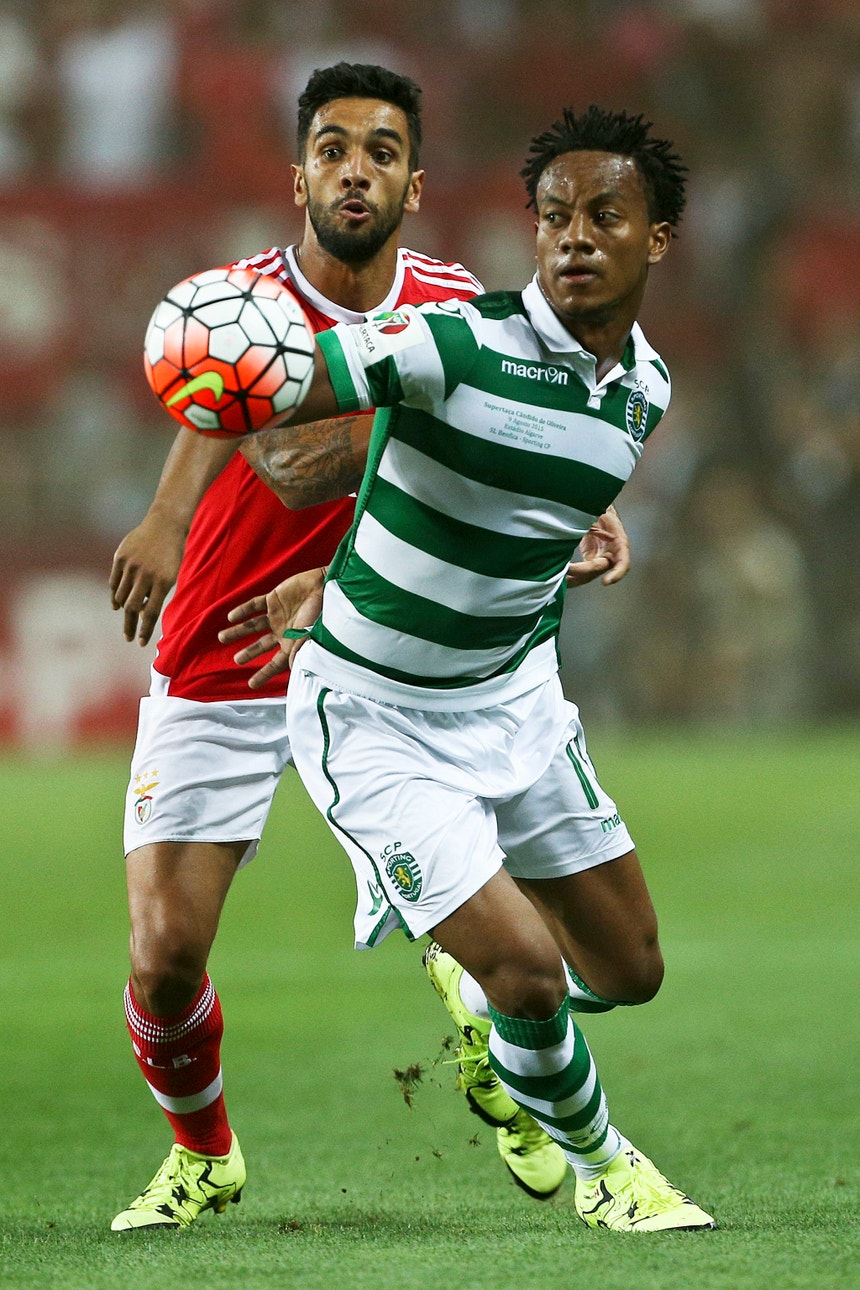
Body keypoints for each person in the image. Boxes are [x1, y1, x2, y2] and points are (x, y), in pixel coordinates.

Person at [109, 62, 620, 1233]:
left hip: (382, 654)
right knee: (163, 953)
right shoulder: (239, 303)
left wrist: (580, 502)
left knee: (484, 921)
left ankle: (494, 1037)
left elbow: (515, 430)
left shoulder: (456, 307)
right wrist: (167, 520)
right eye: (331, 149)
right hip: (227, 643)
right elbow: (242, 414)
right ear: (299, 177)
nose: (354, 170)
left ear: (413, 184)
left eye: (379, 152)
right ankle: (204, 1154)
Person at [224, 104, 716, 1233]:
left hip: (516, 702)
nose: (574, 237)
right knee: (532, 972)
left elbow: (513, 515)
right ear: (530, 230)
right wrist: (224, 370)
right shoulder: (453, 343)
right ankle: (605, 1171)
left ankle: (493, 1014)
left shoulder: (645, 390)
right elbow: (289, 422)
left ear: (656, 239)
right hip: (374, 718)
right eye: (554, 216)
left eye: (605, 216)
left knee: (630, 970)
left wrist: (568, 542)